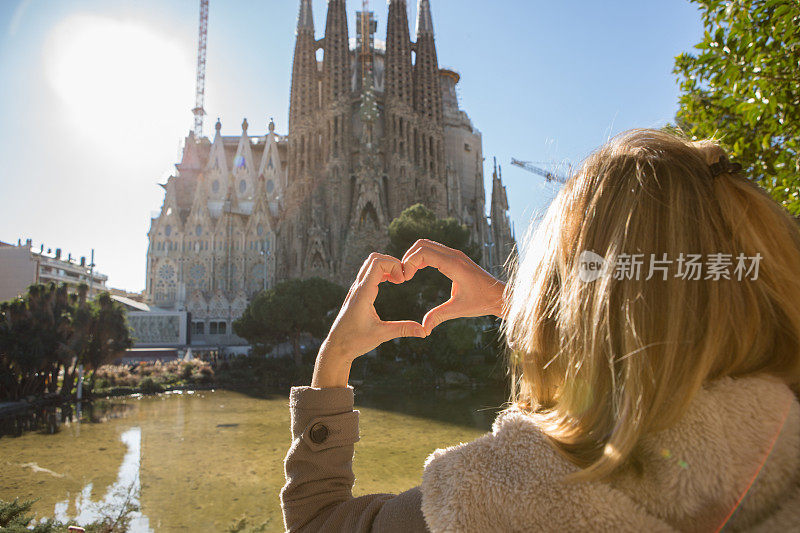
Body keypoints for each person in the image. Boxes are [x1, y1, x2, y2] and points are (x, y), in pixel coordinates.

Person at [280, 129, 800, 532]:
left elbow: (317, 521)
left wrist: (333, 363)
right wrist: (518, 306)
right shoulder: (784, 437)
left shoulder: (504, 494)